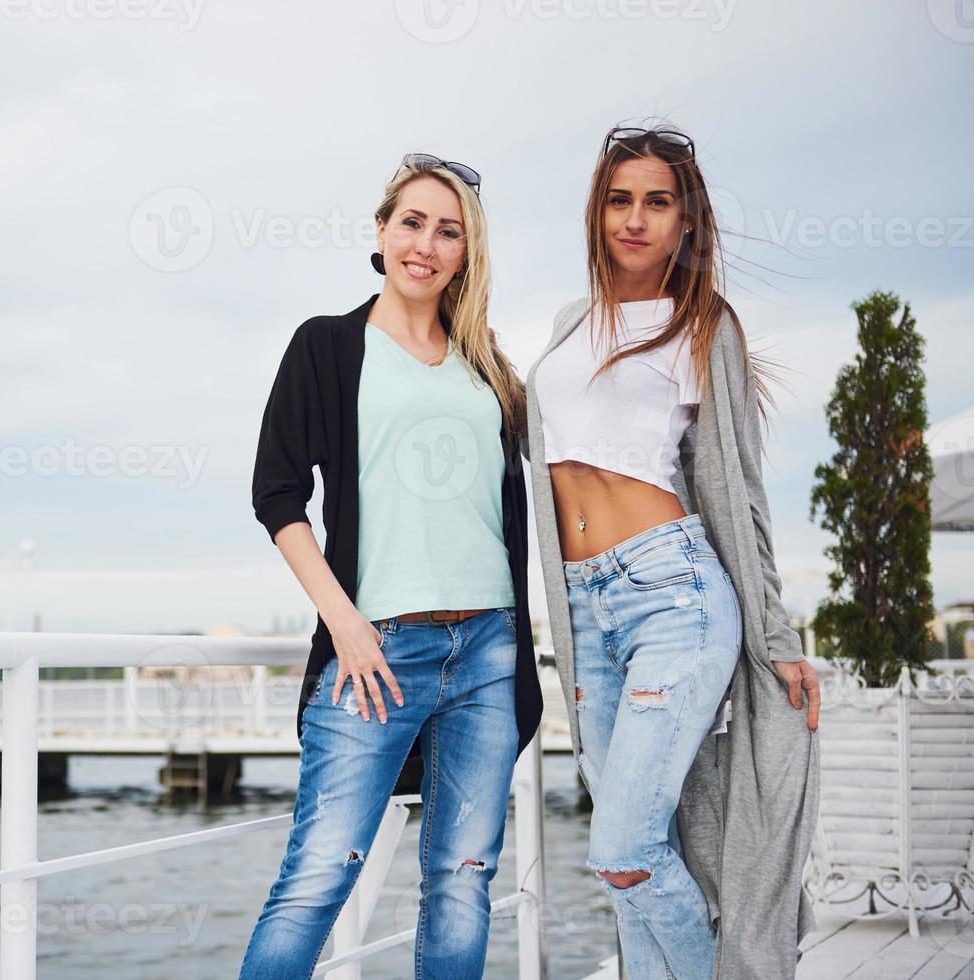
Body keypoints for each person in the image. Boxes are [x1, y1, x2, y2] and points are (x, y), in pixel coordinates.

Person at [522, 123, 822, 979]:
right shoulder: (569, 322)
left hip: (672, 596)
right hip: (585, 613)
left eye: (658, 202)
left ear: (686, 221)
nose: (635, 219)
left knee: (621, 849)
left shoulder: (702, 323)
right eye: (620, 199)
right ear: (597, 211)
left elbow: (736, 488)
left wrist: (774, 636)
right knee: (630, 872)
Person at [239, 152, 542, 979]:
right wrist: (345, 625)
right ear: (381, 231)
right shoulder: (328, 347)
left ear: (465, 253)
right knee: (313, 881)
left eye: (449, 231)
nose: (426, 244)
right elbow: (277, 495)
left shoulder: (488, 370)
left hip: (489, 650)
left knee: (461, 882)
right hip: (373, 651)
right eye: (411, 222)